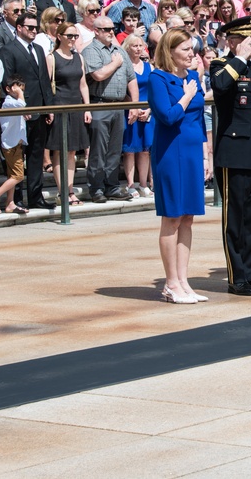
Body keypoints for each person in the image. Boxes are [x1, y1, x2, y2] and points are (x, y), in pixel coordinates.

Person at [210, 17, 251, 296]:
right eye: (247, 39)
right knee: (235, 218)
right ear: (233, 40)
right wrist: (238, 58)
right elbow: (222, 86)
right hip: (234, 152)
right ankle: (237, 275)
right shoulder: (221, 65)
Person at [148, 28, 209, 304]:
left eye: (192, 48)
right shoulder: (158, 78)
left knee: (188, 217)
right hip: (171, 153)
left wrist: (206, 153)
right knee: (172, 217)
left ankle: (184, 281)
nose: (191, 54)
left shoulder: (193, 77)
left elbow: (199, 120)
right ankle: (170, 282)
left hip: (193, 151)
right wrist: (185, 96)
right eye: (185, 49)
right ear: (170, 51)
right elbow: (167, 116)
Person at [0, 12, 56, 211]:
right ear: (19, 28)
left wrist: (49, 107)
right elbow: (8, 81)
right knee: (17, 156)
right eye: (29, 27)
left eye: (35, 27)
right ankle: (16, 199)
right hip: (21, 111)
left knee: (36, 155)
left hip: (39, 109)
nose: (33, 31)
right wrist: (19, 106)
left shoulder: (39, 49)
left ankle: (35, 196)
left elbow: (44, 81)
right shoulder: (8, 50)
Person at [84, 16, 139, 203]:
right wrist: (114, 64)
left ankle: (112, 185)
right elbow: (98, 75)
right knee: (99, 149)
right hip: (100, 103)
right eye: (106, 29)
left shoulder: (119, 51)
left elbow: (131, 78)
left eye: (112, 29)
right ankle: (96, 187)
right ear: (96, 31)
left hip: (118, 105)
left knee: (114, 149)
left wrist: (134, 104)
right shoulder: (91, 50)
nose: (110, 32)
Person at [45, 22, 91, 205]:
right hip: (59, 106)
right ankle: (62, 191)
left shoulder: (78, 57)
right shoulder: (52, 57)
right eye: (69, 35)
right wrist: (49, 109)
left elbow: (83, 84)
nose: (72, 39)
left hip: (75, 106)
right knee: (59, 150)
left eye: (75, 36)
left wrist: (87, 107)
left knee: (71, 151)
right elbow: (47, 85)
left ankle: (70, 190)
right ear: (60, 36)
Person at [0, 74, 29, 214]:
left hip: (16, 143)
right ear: (8, 89)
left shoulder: (14, 103)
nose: (20, 93)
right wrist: (20, 94)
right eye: (17, 90)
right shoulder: (9, 102)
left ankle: (10, 202)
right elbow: (21, 105)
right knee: (18, 176)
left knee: (12, 175)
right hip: (11, 144)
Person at [121, 35, 154, 198]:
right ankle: (130, 184)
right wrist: (134, 106)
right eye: (134, 46)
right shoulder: (124, 66)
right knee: (130, 150)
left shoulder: (149, 66)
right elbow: (123, 91)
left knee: (145, 150)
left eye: (140, 45)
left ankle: (143, 183)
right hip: (130, 111)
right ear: (127, 47)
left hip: (147, 112)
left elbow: (154, 90)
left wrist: (147, 109)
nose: (138, 48)